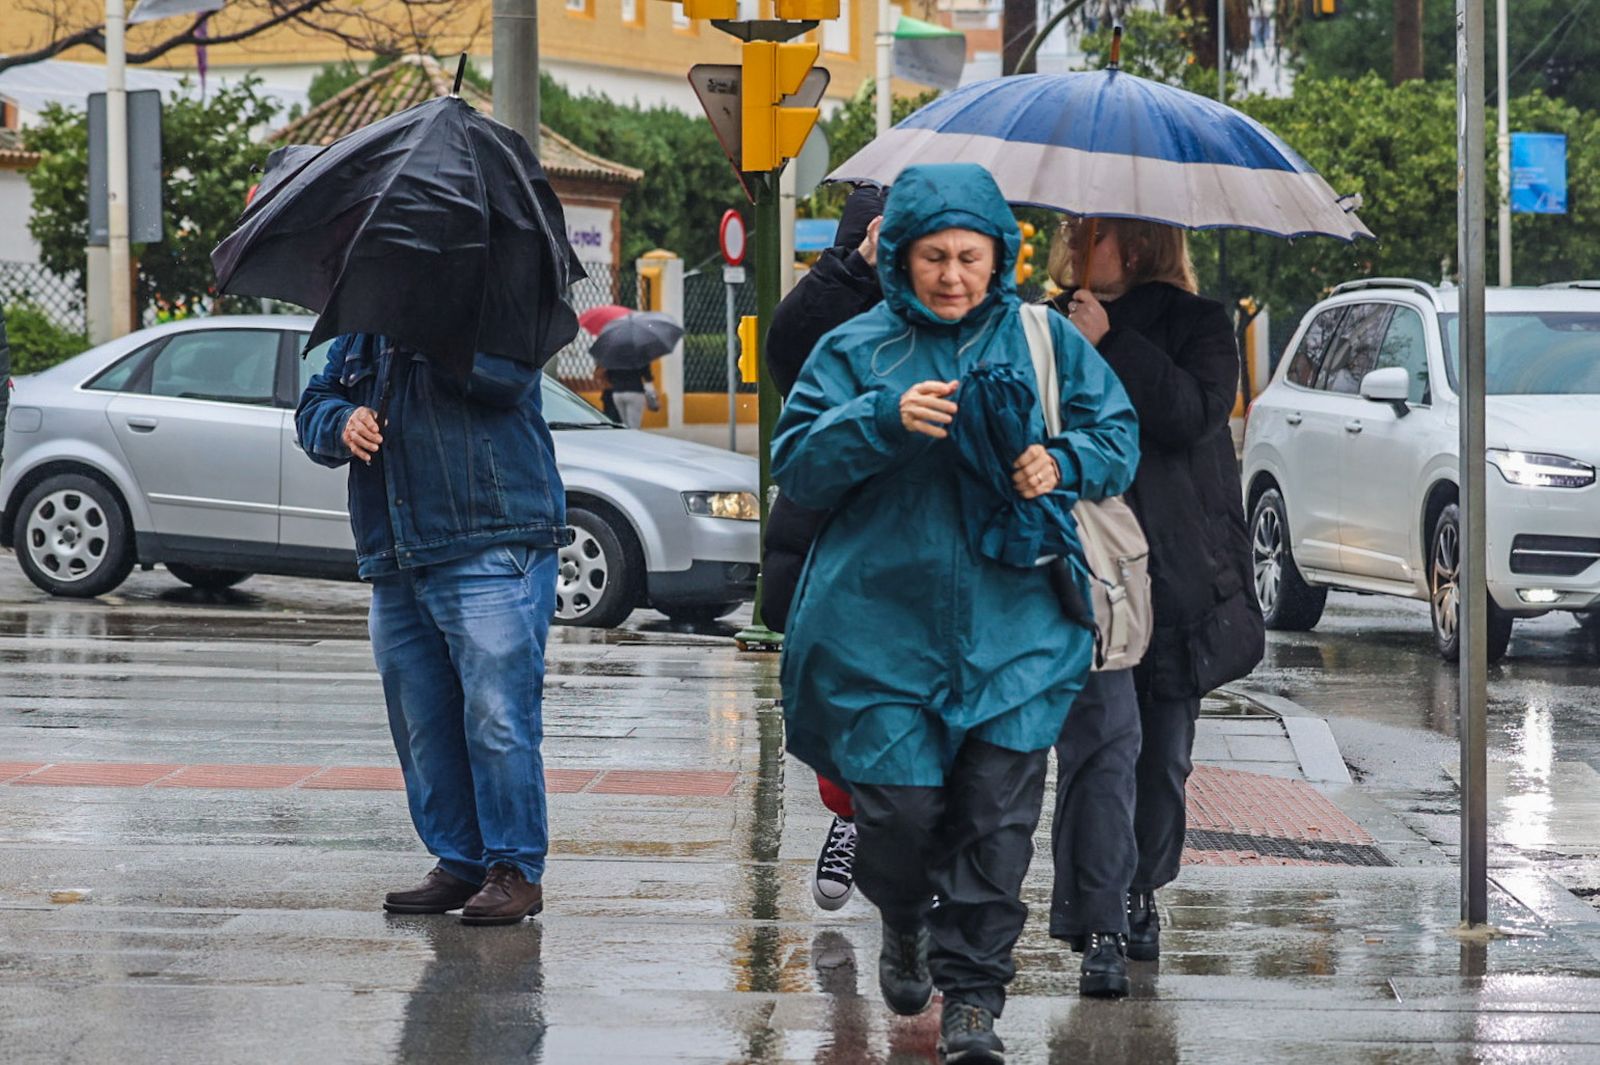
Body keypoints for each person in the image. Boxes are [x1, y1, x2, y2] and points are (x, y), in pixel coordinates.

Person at [774, 163, 1139, 1064]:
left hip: (1018, 629)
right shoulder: (857, 349)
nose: (950, 276)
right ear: (898, 256)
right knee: (895, 812)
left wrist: (1061, 461)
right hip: (878, 632)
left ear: (998, 257)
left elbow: (1117, 436)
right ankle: (903, 916)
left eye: (968, 257)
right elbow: (799, 465)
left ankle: (974, 997)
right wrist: (880, 421)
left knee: (996, 820)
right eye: (932, 256)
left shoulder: (1044, 338)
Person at [296, 335, 569, 926]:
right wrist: (341, 421)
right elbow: (312, 404)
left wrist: (431, 330)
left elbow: (507, 378)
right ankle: (461, 862)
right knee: (422, 725)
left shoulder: (490, 297)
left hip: (491, 542)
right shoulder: (363, 326)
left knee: (498, 717)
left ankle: (515, 870)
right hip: (396, 556)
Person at [1049, 217, 1266, 962]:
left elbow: (1188, 413)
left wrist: (1112, 340)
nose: (1070, 240)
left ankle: (1141, 888)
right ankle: (1098, 912)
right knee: (1097, 748)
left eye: (1089, 233)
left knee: (1163, 757)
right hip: (1091, 572)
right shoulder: (1054, 323)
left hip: (1176, 578)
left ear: (1135, 247)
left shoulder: (1201, 325)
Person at [765, 182, 887, 912]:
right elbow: (787, 351)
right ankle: (848, 819)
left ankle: (911, 864)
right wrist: (852, 269)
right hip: (832, 538)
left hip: (920, 548)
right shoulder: (831, 308)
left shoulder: (960, 307)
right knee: (837, 705)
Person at [605, 363, 659, 429]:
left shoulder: (613, 359)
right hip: (635, 391)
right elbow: (647, 376)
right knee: (634, 424)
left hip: (618, 392)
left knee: (624, 423)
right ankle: (634, 438)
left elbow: (609, 376)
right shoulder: (639, 357)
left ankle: (627, 437)